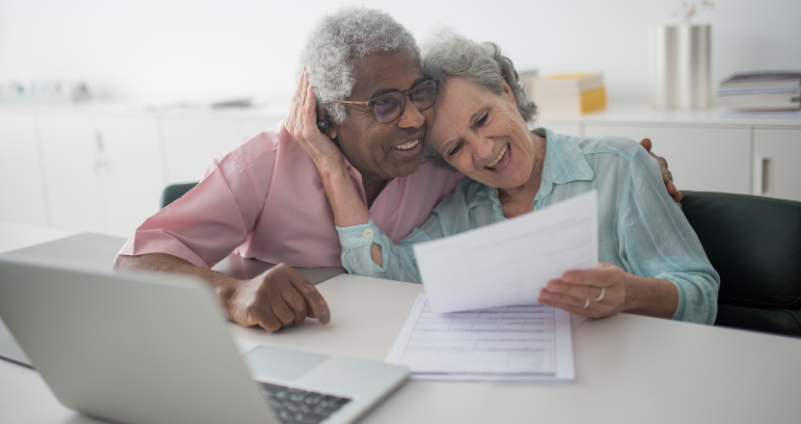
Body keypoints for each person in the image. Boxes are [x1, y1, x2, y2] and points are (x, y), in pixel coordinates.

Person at [115, 7, 680, 332]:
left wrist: (635, 162)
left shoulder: (442, 162)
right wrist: (229, 294)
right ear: (329, 117)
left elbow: (519, 154)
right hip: (276, 351)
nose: (414, 118)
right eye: (385, 103)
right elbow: (133, 263)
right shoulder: (265, 166)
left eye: (419, 93)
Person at [288, 32, 718, 324]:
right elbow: (381, 278)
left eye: (481, 118)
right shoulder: (461, 210)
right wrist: (331, 167)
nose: (484, 151)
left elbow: (701, 295)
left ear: (505, 91)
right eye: (455, 148)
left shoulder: (619, 165)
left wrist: (630, 293)